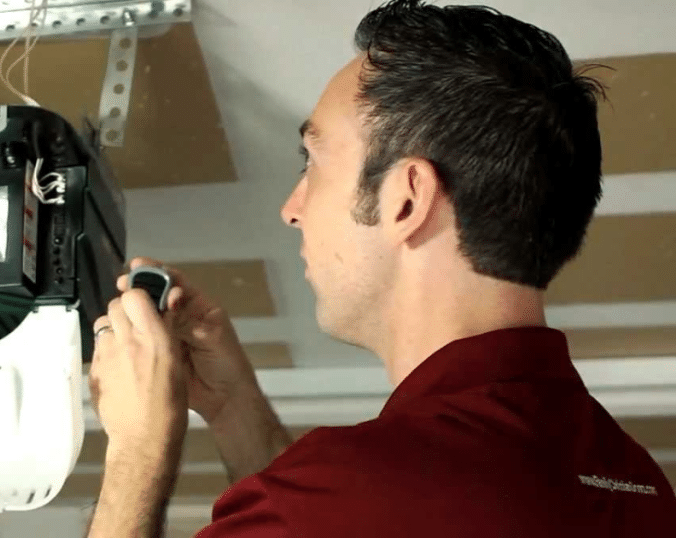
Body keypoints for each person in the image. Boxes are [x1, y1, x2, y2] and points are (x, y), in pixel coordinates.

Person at [83, 0, 676, 536]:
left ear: (406, 200)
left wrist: (137, 452)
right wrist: (233, 406)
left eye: (311, 162)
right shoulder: (637, 483)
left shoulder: (336, 495)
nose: (291, 210)